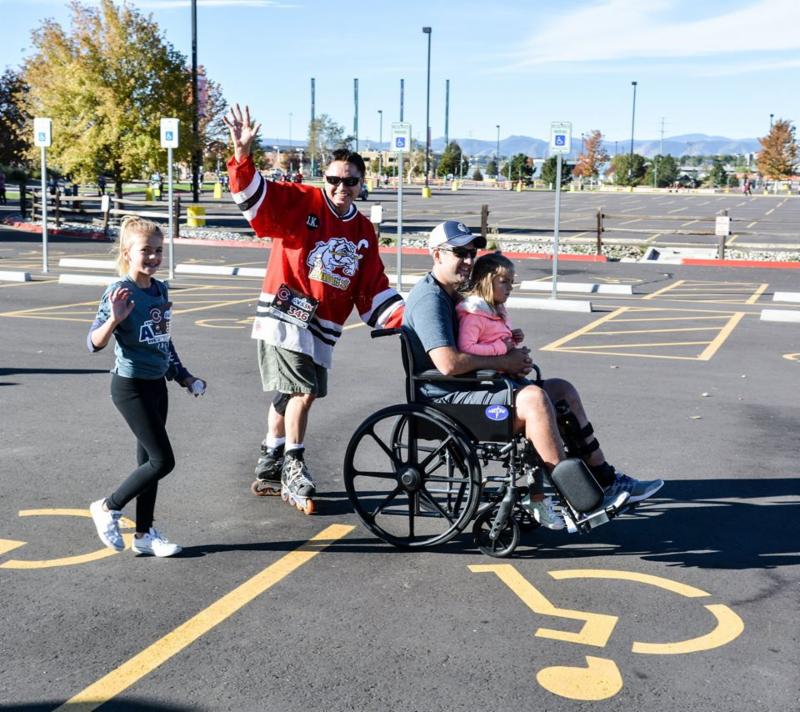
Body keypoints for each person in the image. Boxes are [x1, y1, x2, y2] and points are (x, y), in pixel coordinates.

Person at [403, 220, 663, 522]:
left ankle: (605, 478)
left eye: (471, 253)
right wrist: (504, 362)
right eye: (460, 253)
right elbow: (448, 363)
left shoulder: (452, 294)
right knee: (535, 400)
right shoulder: (430, 300)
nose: (468, 261)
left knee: (562, 390)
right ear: (437, 254)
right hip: (446, 401)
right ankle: (577, 498)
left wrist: (507, 351)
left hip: (472, 388)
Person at [223, 104, 403, 511]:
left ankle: (270, 458)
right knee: (303, 391)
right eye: (334, 179)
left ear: (361, 184)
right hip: (285, 315)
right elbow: (255, 201)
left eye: (350, 181)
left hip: (321, 324)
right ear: (324, 178)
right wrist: (243, 155)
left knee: (291, 394)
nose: (341, 187)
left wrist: (408, 317)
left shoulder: (363, 230)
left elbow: (372, 286)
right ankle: (293, 464)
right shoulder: (302, 201)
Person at [87, 216, 206, 557]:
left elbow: (163, 340)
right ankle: (108, 506)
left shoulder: (160, 289)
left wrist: (184, 376)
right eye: (145, 251)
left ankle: (143, 535)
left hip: (156, 386)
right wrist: (114, 319)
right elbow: (93, 343)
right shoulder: (119, 291)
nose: (153, 257)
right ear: (127, 252)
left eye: (158, 250)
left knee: (148, 463)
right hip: (130, 387)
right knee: (162, 461)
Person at [455, 251, 562, 529]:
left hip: (505, 381)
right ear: (486, 281)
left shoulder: (495, 312)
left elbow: (496, 342)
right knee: (539, 410)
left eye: (512, 282)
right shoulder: (473, 314)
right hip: (489, 387)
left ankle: (550, 491)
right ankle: (564, 488)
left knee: (557, 400)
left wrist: (513, 340)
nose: (510, 288)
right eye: (505, 281)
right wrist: (503, 349)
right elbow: (467, 349)